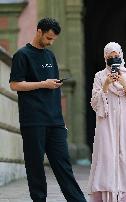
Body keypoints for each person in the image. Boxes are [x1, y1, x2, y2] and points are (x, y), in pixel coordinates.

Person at [9, 18, 87, 202]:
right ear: (39, 31)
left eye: (53, 39)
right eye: (48, 38)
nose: (51, 42)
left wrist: (62, 120)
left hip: (55, 121)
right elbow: (14, 85)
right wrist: (43, 84)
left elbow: (53, 90)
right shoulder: (22, 55)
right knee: (35, 167)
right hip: (33, 120)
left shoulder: (50, 56)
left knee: (64, 165)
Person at [88, 42, 126, 202]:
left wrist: (123, 83)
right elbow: (95, 103)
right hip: (106, 123)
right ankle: (107, 195)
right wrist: (107, 84)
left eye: (116, 56)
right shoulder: (99, 76)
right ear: (105, 58)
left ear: (121, 55)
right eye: (110, 56)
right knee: (107, 156)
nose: (113, 59)